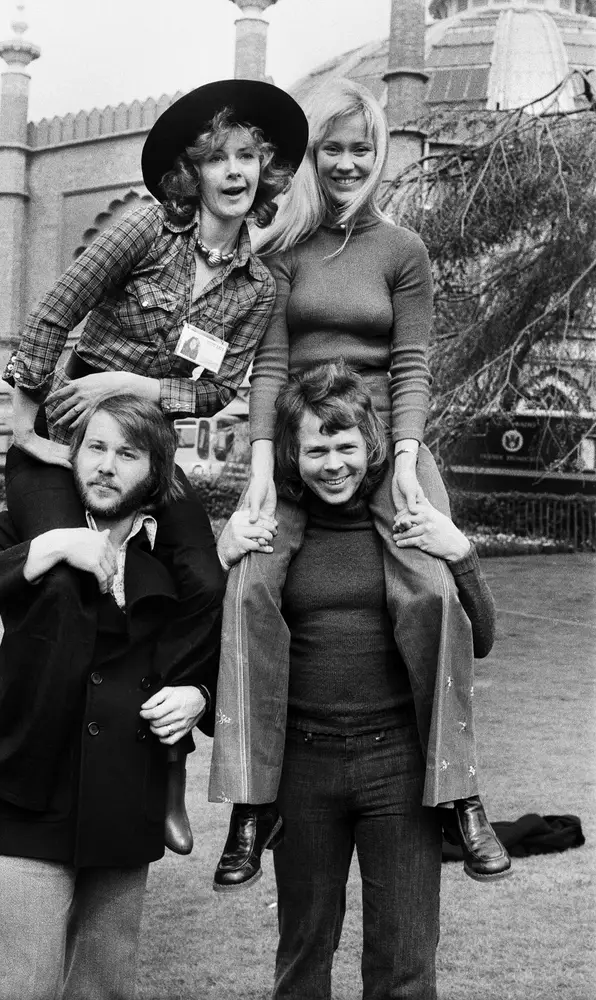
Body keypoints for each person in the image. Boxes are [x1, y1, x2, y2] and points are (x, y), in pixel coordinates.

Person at [0, 78, 308, 861]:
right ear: (195, 172)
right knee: (64, 593)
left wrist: (132, 385)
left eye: (250, 158)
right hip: (65, 434)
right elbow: (53, 312)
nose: (236, 171)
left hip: (151, 447)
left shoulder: (260, 286)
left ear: (266, 175)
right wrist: (23, 433)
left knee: (205, 584)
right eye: (220, 158)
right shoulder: (147, 230)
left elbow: (215, 387)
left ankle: (168, 762)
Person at [209, 78, 510, 888]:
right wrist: (262, 466)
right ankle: (249, 801)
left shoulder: (403, 252)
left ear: (379, 157)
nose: (346, 163)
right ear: (310, 158)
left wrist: (408, 456)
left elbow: (412, 362)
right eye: (331, 149)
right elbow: (270, 362)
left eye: (360, 149)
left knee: (434, 593)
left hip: (382, 441)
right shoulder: (278, 248)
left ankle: (459, 793)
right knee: (249, 588)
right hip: (299, 442)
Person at [0, 392, 274, 1000]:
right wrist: (51, 548)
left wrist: (198, 692)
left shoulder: (177, 549)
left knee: (104, 988)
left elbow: (211, 631)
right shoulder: (31, 523)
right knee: (18, 986)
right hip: (32, 787)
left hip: (128, 784)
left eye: (127, 454)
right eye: (95, 447)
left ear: (156, 473)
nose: (105, 466)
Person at [216, 363, 504, 998]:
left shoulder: (409, 527)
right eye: (316, 449)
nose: (332, 464)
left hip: (396, 765)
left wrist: (461, 553)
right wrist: (222, 556)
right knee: (303, 956)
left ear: (371, 444)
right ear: (293, 452)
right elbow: (229, 640)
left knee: (404, 963)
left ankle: (465, 803)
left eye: (345, 446)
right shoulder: (273, 531)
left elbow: (478, 639)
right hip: (303, 767)